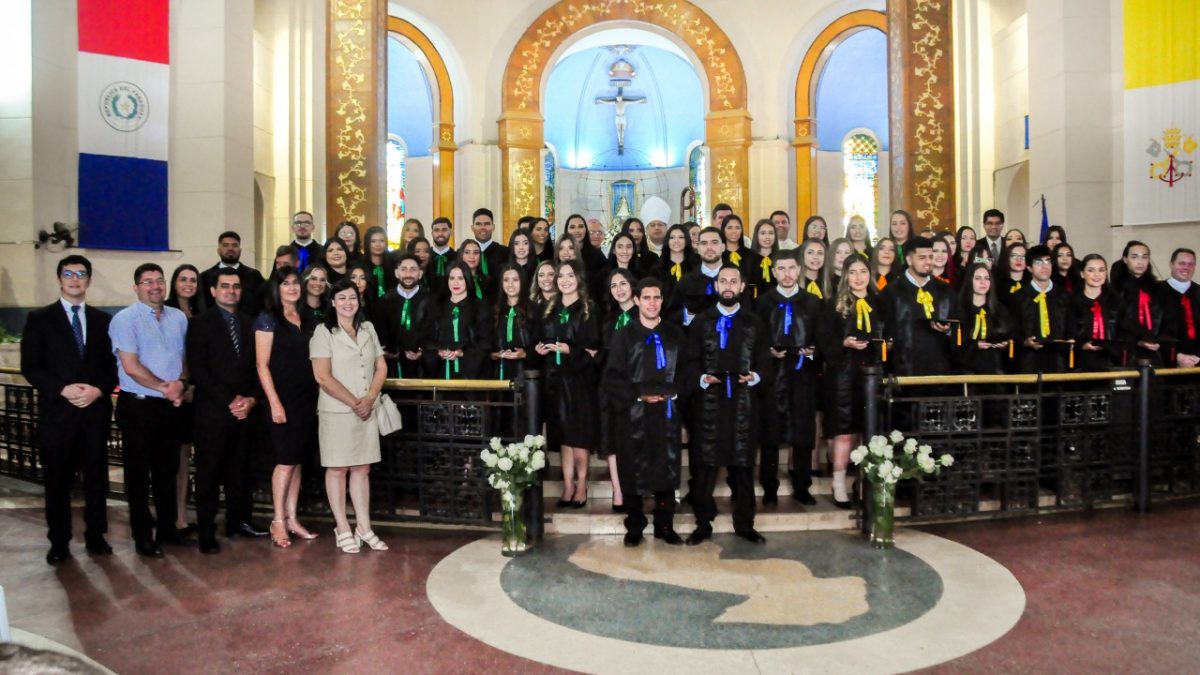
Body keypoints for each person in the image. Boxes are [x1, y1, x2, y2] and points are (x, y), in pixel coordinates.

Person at [21, 255, 118, 564]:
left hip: (93, 413)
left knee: (96, 479)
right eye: (69, 274)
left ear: (88, 281)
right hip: (58, 414)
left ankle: (96, 536)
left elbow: (112, 366)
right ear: (60, 279)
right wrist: (62, 389)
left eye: (81, 274)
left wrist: (98, 389)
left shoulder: (104, 321)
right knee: (58, 481)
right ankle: (59, 541)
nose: (75, 279)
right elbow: (31, 366)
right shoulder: (40, 319)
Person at [602, 278, 692, 546]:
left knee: (665, 469)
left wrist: (672, 393)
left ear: (662, 301)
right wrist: (638, 394)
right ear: (637, 300)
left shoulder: (676, 334)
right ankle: (635, 526)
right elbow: (613, 377)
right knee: (633, 471)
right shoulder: (624, 335)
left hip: (666, 413)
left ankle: (665, 524)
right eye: (647, 298)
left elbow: (688, 371)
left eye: (657, 297)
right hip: (634, 414)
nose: (652, 303)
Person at [686, 265, 771, 545]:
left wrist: (755, 376)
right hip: (710, 402)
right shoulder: (701, 321)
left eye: (734, 281)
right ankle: (702, 523)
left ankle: (745, 524)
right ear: (716, 285)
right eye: (723, 281)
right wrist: (701, 378)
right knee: (705, 465)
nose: (728, 286)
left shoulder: (754, 322)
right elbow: (690, 361)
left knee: (743, 466)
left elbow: (764, 362)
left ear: (742, 286)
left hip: (744, 403)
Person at [109, 263, 189, 558]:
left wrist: (180, 384)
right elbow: (131, 366)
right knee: (138, 475)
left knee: (167, 472)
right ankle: (142, 535)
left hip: (170, 406)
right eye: (147, 282)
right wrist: (164, 387)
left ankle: (168, 529)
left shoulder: (178, 318)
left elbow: (182, 357)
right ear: (136, 287)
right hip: (139, 406)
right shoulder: (124, 319)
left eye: (159, 280)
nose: (155, 286)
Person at [186, 269, 266, 553]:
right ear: (213, 291)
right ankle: (206, 531)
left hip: (246, 411)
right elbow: (199, 369)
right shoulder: (199, 324)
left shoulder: (251, 323)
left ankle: (239, 521)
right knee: (209, 474)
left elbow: (260, 366)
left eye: (235, 286)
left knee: (241, 471)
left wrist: (253, 399)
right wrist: (231, 400)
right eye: (225, 286)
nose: (231, 291)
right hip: (213, 412)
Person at [310, 279, 389, 553]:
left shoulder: (368, 328)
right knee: (338, 468)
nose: (347, 303)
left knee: (362, 468)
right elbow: (322, 375)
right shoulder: (323, 332)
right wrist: (354, 402)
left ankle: (364, 527)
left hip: (366, 409)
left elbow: (381, 366)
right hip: (338, 411)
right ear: (332, 302)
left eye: (352, 298)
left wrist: (368, 399)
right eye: (341, 298)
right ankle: (342, 526)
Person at [255, 266, 320, 549]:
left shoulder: (307, 318)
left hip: (306, 397)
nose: (292, 288)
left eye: (295, 283)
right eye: (286, 283)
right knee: (284, 461)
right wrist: (274, 402)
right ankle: (277, 520)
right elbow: (261, 365)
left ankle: (293, 517)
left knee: (297, 461)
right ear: (276, 288)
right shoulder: (268, 319)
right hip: (281, 399)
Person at [818, 256, 887, 507]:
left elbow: (890, 334)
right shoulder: (833, 305)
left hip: (872, 373)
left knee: (867, 432)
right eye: (853, 272)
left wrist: (885, 344)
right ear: (845, 276)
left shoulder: (880, 303)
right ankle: (838, 484)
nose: (858, 277)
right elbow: (824, 341)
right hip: (843, 375)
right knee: (844, 431)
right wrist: (843, 343)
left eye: (863, 271)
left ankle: (863, 481)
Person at [755, 249, 821, 506]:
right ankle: (769, 486)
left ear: (799, 270)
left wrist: (813, 351)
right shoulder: (763, 302)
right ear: (773, 272)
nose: (787, 274)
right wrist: (768, 352)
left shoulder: (812, 302)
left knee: (803, 432)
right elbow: (756, 339)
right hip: (774, 376)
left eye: (791, 268)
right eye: (781, 269)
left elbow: (821, 336)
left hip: (802, 374)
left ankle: (802, 485)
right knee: (770, 433)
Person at [536, 260, 600, 508]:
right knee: (563, 435)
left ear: (579, 279)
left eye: (569, 275)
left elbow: (592, 348)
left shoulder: (587, 309)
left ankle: (582, 483)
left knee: (579, 435)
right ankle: (567, 484)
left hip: (580, 379)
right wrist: (541, 348)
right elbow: (542, 336)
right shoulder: (550, 308)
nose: (564, 280)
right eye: (560, 276)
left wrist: (569, 349)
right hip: (556, 379)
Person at [165, 264, 204, 537]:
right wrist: (181, 384)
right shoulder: (165, 312)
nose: (188, 284)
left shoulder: (202, 313)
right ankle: (176, 517)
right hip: (174, 394)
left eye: (193, 280)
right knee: (176, 459)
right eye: (183, 279)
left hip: (200, 394)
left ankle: (193, 513)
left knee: (196, 459)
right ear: (174, 283)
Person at [881, 238, 958, 376]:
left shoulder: (945, 290)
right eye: (922, 257)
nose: (928, 262)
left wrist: (948, 330)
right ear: (909, 260)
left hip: (939, 368)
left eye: (930, 257)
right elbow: (884, 330)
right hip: (904, 368)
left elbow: (958, 325)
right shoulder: (892, 291)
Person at [598, 268, 638, 512]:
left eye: (623, 283)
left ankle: (636, 488)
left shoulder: (642, 313)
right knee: (611, 438)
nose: (619, 289)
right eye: (614, 285)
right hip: (609, 386)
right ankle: (617, 490)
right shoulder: (608, 317)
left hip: (635, 385)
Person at [423, 260, 495, 379]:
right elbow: (427, 340)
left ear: (467, 279)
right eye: (451, 278)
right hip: (442, 371)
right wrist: (438, 352)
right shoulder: (436, 306)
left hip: (470, 373)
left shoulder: (480, 307)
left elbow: (485, 342)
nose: (455, 283)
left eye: (460, 278)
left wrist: (463, 353)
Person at [1015, 245, 1073, 373]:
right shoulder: (1019, 296)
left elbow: (1070, 327)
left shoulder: (1063, 295)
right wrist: (1024, 342)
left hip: (1058, 362)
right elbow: (1013, 330)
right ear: (1029, 267)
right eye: (1038, 262)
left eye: (1048, 261)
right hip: (1029, 362)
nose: (1044, 266)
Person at [373, 252, 431, 378]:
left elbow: (433, 334)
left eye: (413, 270)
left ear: (420, 273)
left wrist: (424, 351)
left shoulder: (431, 301)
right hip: (391, 368)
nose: (408, 274)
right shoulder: (384, 301)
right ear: (396, 273)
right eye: (403, 269)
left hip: (422, 370)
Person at [1111, 240, 1166, 366]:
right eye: (1134, 257)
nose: (1140, 262)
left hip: (1155, 350)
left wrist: (1159, 340)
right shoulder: (1115, 290)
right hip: (1126, 352)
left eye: (1144, 257)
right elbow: (1115, 325)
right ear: (1125, 259)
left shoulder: (1158, 289)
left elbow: (1166, 321)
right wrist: (1137, 340)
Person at [954, 263, 1014, 375]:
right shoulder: (959, 310)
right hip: (966, 373)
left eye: (987, 278)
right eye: (978, 278)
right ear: (969, 281)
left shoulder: (1000, 310)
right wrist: (975, 345)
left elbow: (1010, 337)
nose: (983, 282)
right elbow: (953, 347)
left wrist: (1004, 344)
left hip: (994, 370)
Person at [1069, 254, 1123, 371]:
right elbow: (1068, 333)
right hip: (1080, 364)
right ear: (1082, 273)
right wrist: (1081, 346)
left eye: (1101, 270)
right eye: (1091, 270)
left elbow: (1123, 333)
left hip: (1111, 363)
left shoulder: (1116, 302)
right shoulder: (1072, 302)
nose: (1097, 275)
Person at [666, 226, 724, 326]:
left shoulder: (735, 278)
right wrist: (688, 314)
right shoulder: (686, 280)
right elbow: (671, 314)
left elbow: (746, 314)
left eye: (714, 242)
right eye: (704, 243)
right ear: (698, 247)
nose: (709, 247)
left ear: (723, 247)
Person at [200, 231, 266, 315]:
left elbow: (262, 305)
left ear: (240, 250)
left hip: (248, 325)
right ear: (218, 250)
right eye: (225, 245)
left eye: (234, 245)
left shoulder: (254, 276)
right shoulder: (205, 277)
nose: (230, 248)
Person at [491, 263, 532, 380]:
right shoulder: (495, 311)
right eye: (506, 280)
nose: (510, 284)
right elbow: (487, 342)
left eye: (515, 280)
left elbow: (539, 342)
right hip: (499, 371)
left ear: (522, 282)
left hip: (525, 373)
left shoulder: (532, 310)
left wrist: (525, 353)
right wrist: (495, 354)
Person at [1159, 248, 1199, 367]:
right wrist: (1176, 355)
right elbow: (1154, 330)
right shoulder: (1156, 292)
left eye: (1190, 264)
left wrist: (1197, 356)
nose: (1186, 267)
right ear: (1171, 264)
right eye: (1181, 263)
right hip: (1166, 362)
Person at [721, 214, 764, 299]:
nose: (734, 231)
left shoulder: (752, 256)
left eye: (737, 228)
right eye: (730, 227)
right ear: (723, 230)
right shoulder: (718, 255)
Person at [653, 222, 698, 300]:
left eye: (681, 237)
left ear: (687, 240)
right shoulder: (657, 269)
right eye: (672, 237)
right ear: (667, 241)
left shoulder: (696, 266)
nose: (676, 241)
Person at [472, 207, 509, 287]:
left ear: (493, 227)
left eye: (487, 224)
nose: (483, 227)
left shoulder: (506, 253)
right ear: (472, 228)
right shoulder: (462, 253)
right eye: (478, 224)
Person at [457, 238, 494, 303]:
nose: (472, 256)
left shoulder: (488, 281)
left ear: (480, 256)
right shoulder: (455, 280)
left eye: (476, 253)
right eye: (467, 252)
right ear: (461, 255)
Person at [361, 225, 390, 302]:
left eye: (381, 240)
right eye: (373, 241)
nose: (378, 245)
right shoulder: (360, 266)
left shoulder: (393, 264)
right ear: (367, 243)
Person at [428, 217, 457, 288]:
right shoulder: (426, 256)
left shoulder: (457, 257)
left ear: (451, 232)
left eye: (444, 230)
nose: (440, 233)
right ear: (432, 233)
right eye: (436, 230)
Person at [752, 218, 779, 289]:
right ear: (756, 236)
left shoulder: (780, 259)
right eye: (763, 233)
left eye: (771, 233)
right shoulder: (749, 259)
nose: (767, 237)